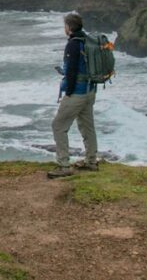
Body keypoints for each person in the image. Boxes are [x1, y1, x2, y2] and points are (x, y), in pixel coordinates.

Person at [46, 12, 98, 178]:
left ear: (68, 27)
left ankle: (64, 165)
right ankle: (91, 162)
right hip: (90, 91)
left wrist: (68, 92)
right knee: (87, 126)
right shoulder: (87, 40)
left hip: (77, 93)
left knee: (58, 126)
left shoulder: (73, 45)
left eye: (65, 25)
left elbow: (72, 71)